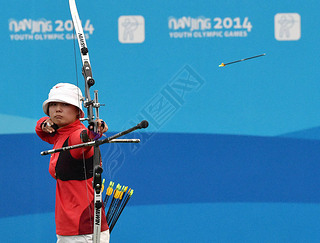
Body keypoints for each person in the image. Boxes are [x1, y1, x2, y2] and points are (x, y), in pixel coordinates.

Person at [35, 83, 110, 243]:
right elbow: (40, 129)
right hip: (70, 227)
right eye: (53, 104)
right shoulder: (59, 134)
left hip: (83, 230)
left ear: (78, 111)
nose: (58, 109)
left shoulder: (76, 136)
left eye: (65, 104)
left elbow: (85, 136)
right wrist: (45, 123)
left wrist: (95, 129)